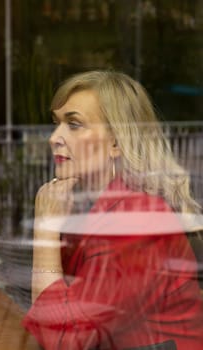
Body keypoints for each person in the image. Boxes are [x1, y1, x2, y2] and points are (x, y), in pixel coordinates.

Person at [22, 71, 203, 350]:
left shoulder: (137, 217)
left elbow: (64, 340)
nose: (54, 138)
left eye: (74, 124)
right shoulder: (97, 207)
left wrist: (45, 228)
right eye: (56, 123)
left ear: (116, 142)